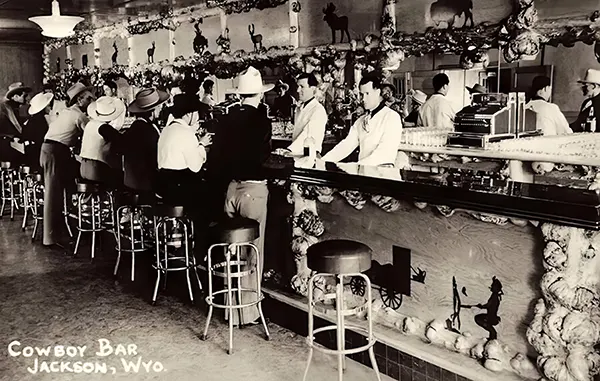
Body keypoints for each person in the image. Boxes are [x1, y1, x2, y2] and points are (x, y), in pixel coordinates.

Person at [207, 66, 273, 326]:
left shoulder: (225, 117)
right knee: (252, 251)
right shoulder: (261, 120)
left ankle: (230, 311)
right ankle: (250, 312)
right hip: (253, 190)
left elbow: (216, 156)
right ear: (260, 94)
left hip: (230, 190)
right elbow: (263, 158)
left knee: (232, 250)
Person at [40, 82, 95, 249]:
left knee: (60, 190)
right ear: (79, 100)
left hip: (50, 150)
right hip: (55, 152)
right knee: (53, 195)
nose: (91, 101)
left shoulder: (67, 112)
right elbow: (92, 132)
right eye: (88, 98)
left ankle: (67, 228)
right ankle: (50, 238)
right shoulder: (79, 116)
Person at [321, 73, 403, 166]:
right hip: (364, 173)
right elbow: (346, 145)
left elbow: (383, 154)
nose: (363, 99)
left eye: (367, 94)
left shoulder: (391, 117)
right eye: (361, 94)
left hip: (382, 174)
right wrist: (323, 161)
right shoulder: (361, 120)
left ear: (378, 92)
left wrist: (355, 167)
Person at [100, 88, 168, 195]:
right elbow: (156, 159)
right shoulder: (149, 130)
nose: (160, 109)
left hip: (130, 181)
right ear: (153, 111)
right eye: (158, 107)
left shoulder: (134, 127)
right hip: (144, 183)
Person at [157, 93, 212, 214]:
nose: (197, 116)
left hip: (164, 185)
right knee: (211, 193)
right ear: (189, 114)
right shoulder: (186, 132)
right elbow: (196, 166)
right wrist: (202, 145)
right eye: (196, 112)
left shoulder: (166, 129)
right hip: (180, 187)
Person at [79, 96, 126, 187]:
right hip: (96, 169)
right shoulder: (104, 127)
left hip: (83, 167)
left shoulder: (90, 124)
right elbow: (121, 143)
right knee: (122, 178)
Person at [287, 73, 327, 156]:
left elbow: (307, 134)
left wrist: (289, 150)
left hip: (309, 155)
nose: (298, 90)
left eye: (302, 86)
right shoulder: (300, 107)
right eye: (298, 86)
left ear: (312, 88)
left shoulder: (318, 110)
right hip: (297, 154)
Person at [0, 82, 31, 162]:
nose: (27, 98)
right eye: (24, 96)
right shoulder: (5, 110)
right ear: (16, 97)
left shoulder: (13, 108)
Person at [23, 92, 54, 171]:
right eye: (49, 105)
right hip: (36, 153)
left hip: (30, 151)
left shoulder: (32, 119)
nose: (51, 108)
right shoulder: (40, 121)